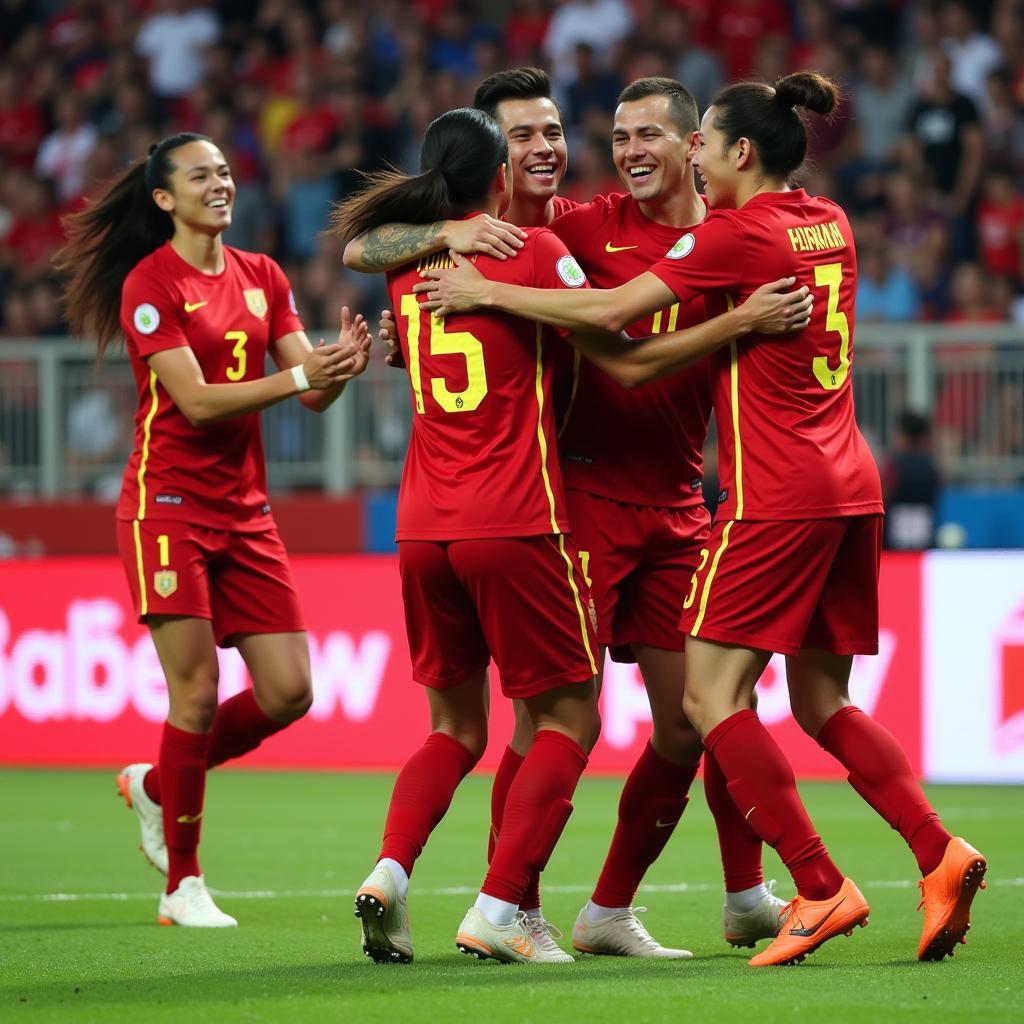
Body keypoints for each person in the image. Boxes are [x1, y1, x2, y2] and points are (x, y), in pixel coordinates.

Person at [417, 72, 987, 967]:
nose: (635, 151)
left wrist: (492, 294)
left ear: (716, 150)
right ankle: (515, 902)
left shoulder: (726, 232)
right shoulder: (822, 220)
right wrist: (443, 231)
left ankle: (791, 887)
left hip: (746, 497)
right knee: (795, 702)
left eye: (662, 137)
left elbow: (619, 327)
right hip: (753, 489)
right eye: (619, 136)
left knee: (703, 709)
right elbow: (391, 242)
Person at [330, 105, 811, 966]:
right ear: (499, 171)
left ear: (690, 147)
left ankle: (642, 903)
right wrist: (740, 323)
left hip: (482, 520)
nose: (553, 152)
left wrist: (450, 249)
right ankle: (509, 903)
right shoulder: (554, 239)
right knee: (556, 722)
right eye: (523, 140)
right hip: (547, 512)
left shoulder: (429, 262)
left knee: (683, 718)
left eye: (648, 135)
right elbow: (621, 355)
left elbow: (365, 250)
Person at [57, 132, 371, 928]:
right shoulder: (150, 283)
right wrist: (302, 373)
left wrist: (336, 370)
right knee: (194, 694)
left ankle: (159, 785)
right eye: (201, 175)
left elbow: (309, 395)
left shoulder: (263, 275)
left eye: (226, 172)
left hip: (245, 510)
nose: (220, 184)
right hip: (166, 507)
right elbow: (195, 402)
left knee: (290, 691)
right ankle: (182, 886)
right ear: (164, 198)